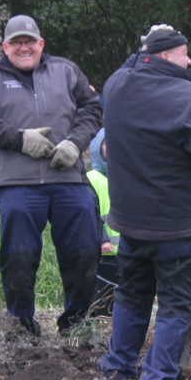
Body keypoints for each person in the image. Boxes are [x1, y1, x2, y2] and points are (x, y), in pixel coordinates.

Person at [98, 25, 191, 380]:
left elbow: (131, 66)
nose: (190, 60)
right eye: (183, 53)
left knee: (132, 294)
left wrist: (144, 45)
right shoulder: (184, 96)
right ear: (164, 56)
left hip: (130, 220)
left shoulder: (116, 87)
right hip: (176, 224)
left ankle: (118, 367)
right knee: (176, 302)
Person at [0, 14, 103, 337]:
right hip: (15, 183)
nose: (24, 47)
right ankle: (21, 324)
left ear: (41, 44)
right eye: (17, 43)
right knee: (19, 255)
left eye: (30, 41)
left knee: (84, 249)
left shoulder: (66, 71)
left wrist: (75, 142)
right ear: (5, 47)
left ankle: (77, 323)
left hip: (68, 178)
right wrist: (19, 139)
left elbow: (91, 109)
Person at [86, 128, 119, 317]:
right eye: (107, 144)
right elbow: (92, 213)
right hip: (104, 251)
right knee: (102, 297)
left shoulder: (126, 177)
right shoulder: (92, 178)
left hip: (125, 251)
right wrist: (102, 239)